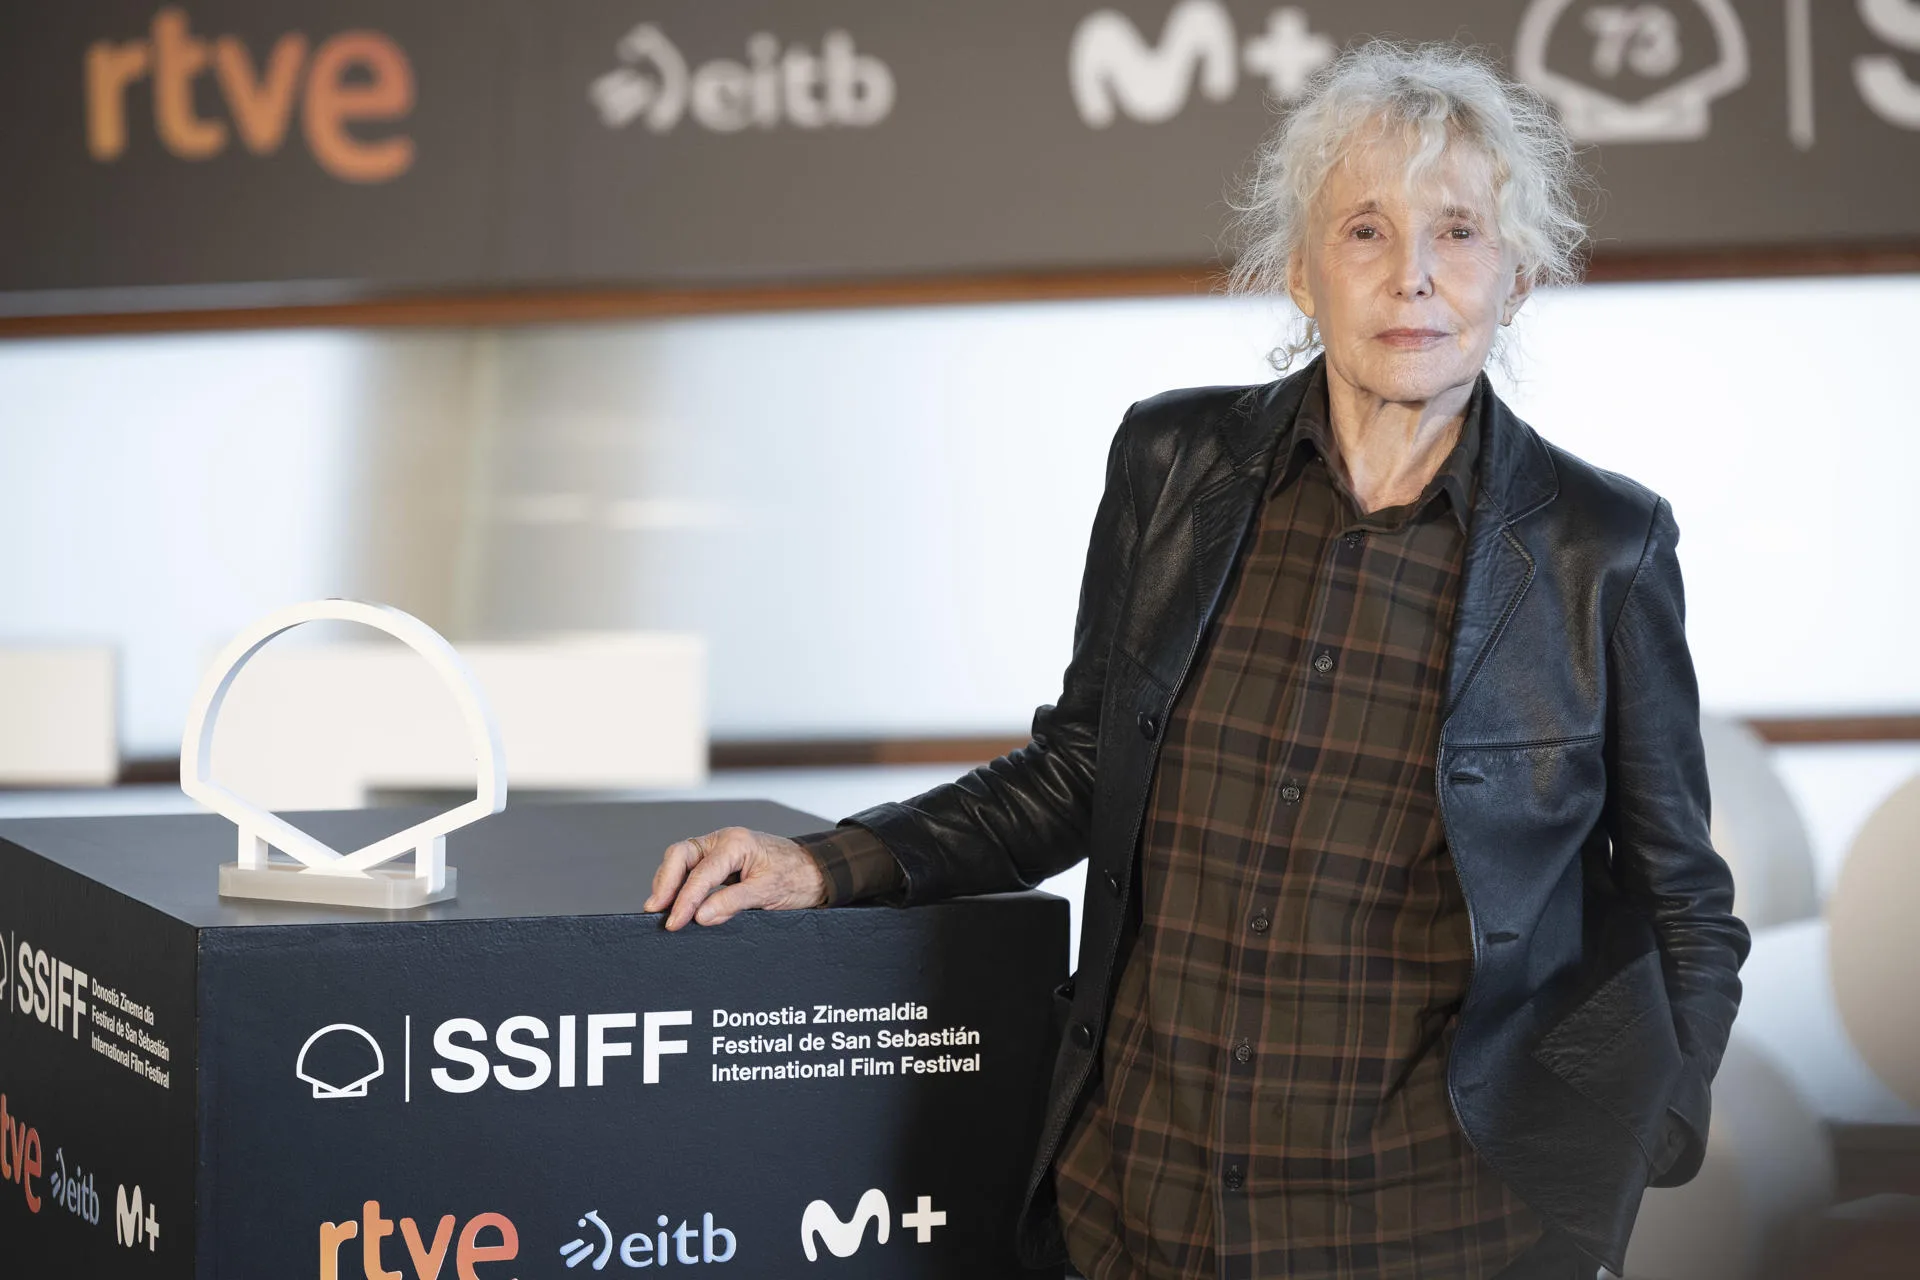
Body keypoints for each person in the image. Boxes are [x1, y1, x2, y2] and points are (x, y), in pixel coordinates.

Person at [645, 39, 1749, 1280]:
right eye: (1367, 232)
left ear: (1521, 276)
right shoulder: (1173, 467)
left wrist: (1627, 1147)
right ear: (1298, 273)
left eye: (1459, 233)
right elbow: (1074, 771)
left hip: (1439, 1225)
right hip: (1141, 1204)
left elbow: (1682, 901)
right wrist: (820, 861)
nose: (1416, 279)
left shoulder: (1599, 548)